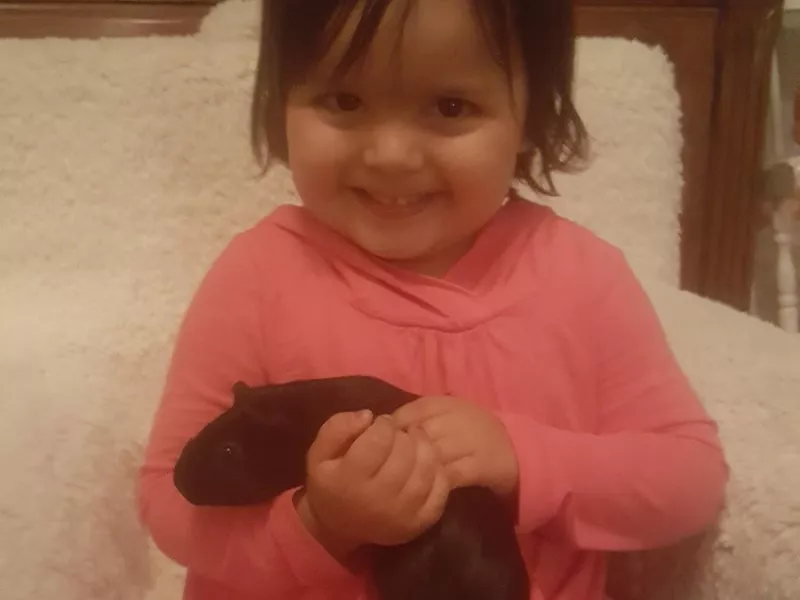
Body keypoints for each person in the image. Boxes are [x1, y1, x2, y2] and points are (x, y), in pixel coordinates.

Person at [137, 0, 729, 598]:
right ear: (280, 100)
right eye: (344, 101)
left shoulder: (582, 276)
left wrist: (524, 459)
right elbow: (169, 499)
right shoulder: (259, 275)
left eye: (451, 107)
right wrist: (321, 524)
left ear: (530, 116)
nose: (391, 154)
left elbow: (690, 478)